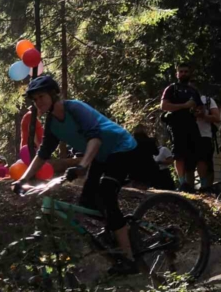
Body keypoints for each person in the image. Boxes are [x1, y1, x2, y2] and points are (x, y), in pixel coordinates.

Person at [12, 75, 139, 275]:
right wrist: (22, 179)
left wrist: (81, 165)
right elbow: (43, 154)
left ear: (54, 95)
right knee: (87, 201)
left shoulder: (75, 109)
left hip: (121, 149)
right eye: (35, 100)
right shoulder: (52, 124)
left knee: (106, 192)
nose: (38, 103)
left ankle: (129, 259)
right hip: (101, 156)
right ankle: (116, 228)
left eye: (41, 97)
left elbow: (95, 139)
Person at [160, 63, 203, 192]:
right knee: (179, 154)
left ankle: (190, 185)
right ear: (177, 74)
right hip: (176, 124)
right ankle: (182, 182)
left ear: (190, 73)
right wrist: (184, 106)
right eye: (181, 71)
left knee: (193, 155)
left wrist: (198, 111)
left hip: (192, 124)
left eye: (186, 71)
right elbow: (164, 106)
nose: (184, 73)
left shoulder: (194, 91)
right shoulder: (171, 89)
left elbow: (199, 108)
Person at [191, 82, 220, 193]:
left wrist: (203, 115)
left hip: (204, 135)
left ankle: (205, 187)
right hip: (188, 136)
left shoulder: (207, 100)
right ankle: (191, 186)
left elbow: (217, 118)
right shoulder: (182, 102)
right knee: (190, 164)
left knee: (205, 161)